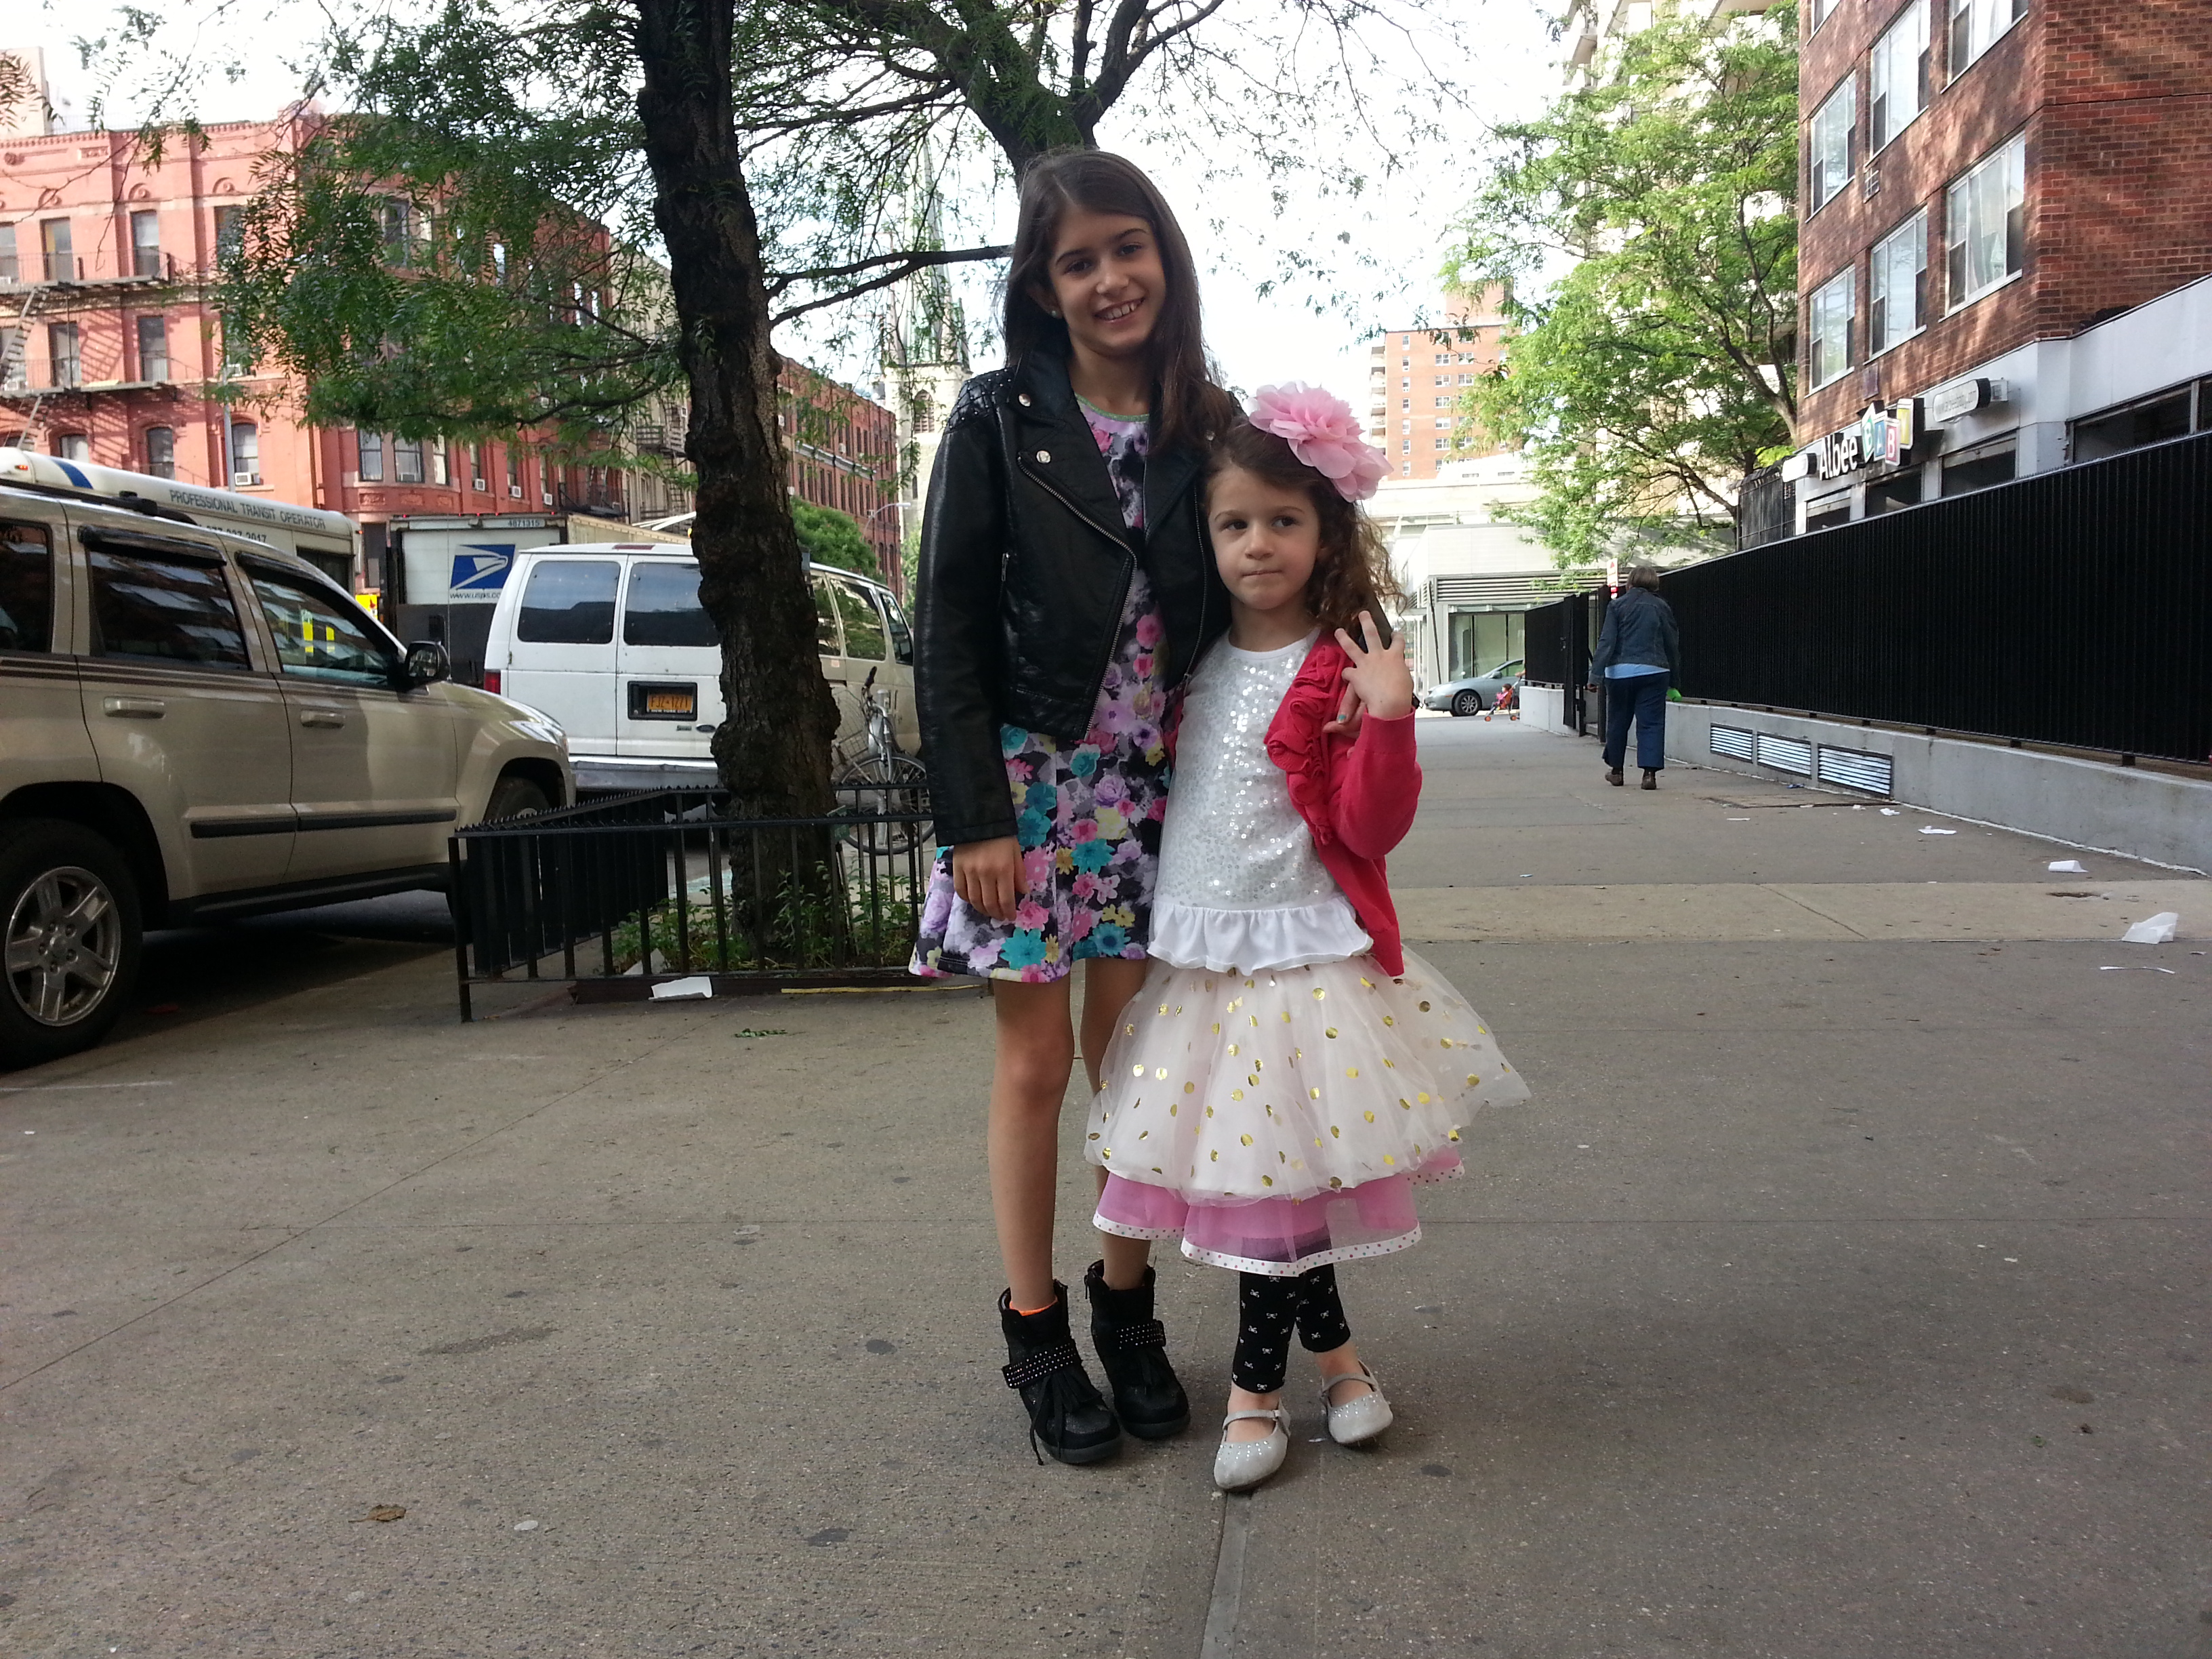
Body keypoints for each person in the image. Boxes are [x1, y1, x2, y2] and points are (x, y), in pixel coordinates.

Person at [1086, 385, 1532, 1492]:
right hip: (1203, 967)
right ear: (1205, 536)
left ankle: (1254, 1392)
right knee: (1273, 1180)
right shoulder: (1189, 659)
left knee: (1274, 1183)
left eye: (1283, 520)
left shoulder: (1339, 664)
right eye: (1233, 522)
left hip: (1302, 963)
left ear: (1326, 533)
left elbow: (1371, 828)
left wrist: (1389, 713)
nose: (1257, 543)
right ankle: (1336, 1359)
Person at [909, 150, 1242, 1466]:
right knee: (1037, 1064)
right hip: (1030, 789)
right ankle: (1036, 1331)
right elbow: (947, 628)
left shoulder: (1207, 424)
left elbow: (1260, 590)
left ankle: (1126, 1304)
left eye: (1126, 247)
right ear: (1042, 290)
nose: (1109, 279)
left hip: (1160, 792)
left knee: (1136, 1065)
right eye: (1077, 261)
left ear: (1163, 253)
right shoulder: (998, 418)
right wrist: (973, 817)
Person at [1587, 565, 1680, 790]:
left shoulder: (1617, 606)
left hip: (1619, 673)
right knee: (1651, 723)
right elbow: (1671, 644)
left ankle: (1617, 771)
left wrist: (1595, 675)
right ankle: (1649, 774)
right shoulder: (1661, 606)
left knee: (1618, 721)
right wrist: (1674, 681)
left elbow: (1607, 642)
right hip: (1655, 671)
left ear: (1630, 583)